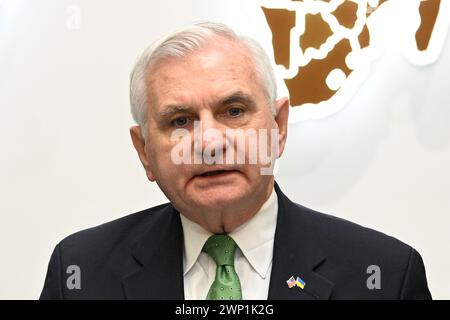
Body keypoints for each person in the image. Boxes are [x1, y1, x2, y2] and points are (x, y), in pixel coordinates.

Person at [40, 22, 431, 300]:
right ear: (144, 152)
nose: (209, 142)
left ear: (278, 127)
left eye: (233, 111)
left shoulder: (384, 275)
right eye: (179, 121)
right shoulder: (80, 274)